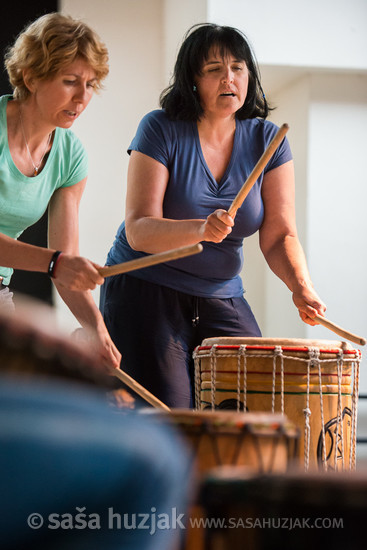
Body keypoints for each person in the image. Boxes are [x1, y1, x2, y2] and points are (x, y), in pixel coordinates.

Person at [100, 23, 326, 408]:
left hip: (220, 294)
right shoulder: (159, 128)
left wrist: (300, 285)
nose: (229, 78)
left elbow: (279, 234)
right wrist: (201, 229)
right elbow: (139, 229)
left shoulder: (269, 140)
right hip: (145, 287)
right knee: (174, 411)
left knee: (258, 400)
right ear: (192, 79)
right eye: (214, 69)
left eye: (238, 67)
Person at [0, 13, 120, 370]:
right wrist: (53, 262)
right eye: (70, 81)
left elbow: (66, 267)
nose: (83, 97)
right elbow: (59, 264)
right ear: (31, 76)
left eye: (91, 84)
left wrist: (97, 329)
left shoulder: (70, 156)